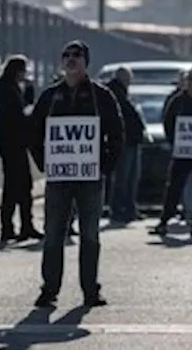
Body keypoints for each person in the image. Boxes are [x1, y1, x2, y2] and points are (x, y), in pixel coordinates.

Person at [28, 40, 126, 308]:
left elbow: (117, 135)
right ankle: (49, 290)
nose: (71, 59)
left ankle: (90, 291)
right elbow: (33, 134)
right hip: (58, 179)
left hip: (90, 180)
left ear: (86, 62)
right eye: (66, 55)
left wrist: (104, 167)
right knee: (53, 234)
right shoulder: (49, 97)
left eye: (77, 55)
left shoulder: (102, 96)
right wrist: (46, 164)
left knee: (90, 235)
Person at [151, 66, 192, 239]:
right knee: (174, 187)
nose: (190, 84)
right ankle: (164, 221)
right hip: (182, 152)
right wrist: (174, 141)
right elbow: (168, 121)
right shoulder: (178, 101)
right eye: (189, 81)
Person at [0, 55, 41, 242]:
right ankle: (19, 226)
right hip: (13, 143)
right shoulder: (8, 90)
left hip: (11, 143)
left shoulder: (7, 88)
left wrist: (28, 92)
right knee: (19, 186)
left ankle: (15, 226)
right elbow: (17, 116)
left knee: (15, 186)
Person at [106, 67, 146, 224]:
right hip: (125, 141)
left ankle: (129, 208)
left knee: (131, 177)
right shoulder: (115, 93)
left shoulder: (121, 92)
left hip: (132, 140)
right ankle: (119, 209)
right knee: (123, 177)